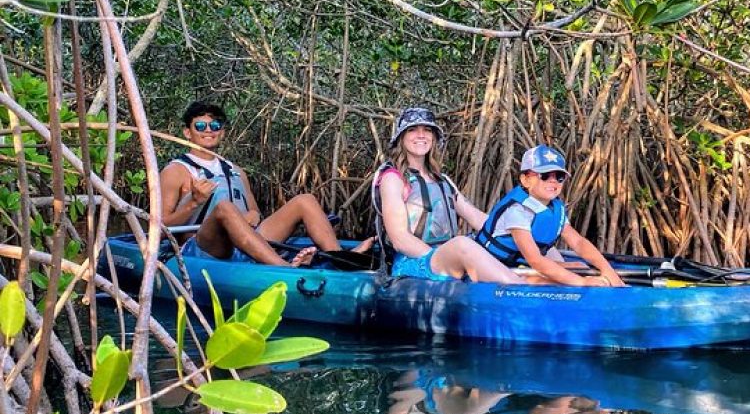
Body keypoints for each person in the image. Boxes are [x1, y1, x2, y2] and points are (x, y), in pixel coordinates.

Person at [161, 101, 366, 267]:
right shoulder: (176, 171)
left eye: (215, 126)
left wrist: (254, 215)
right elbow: (159, 228)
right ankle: (282, 268)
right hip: (203, 247)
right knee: (224, 208)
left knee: (305, 200)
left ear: (222, 132)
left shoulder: (235, 170)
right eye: (200, 126)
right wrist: (193, 203)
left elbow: (255, 213)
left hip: (244, 244)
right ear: (187, 132)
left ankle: (339, 259)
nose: (208, 130)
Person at [372, 107, 523, 283]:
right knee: (462, 244)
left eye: (427, 130)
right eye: (412, 130)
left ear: (434, 138)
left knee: (521, 234)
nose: (421, 135)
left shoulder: (442, 180)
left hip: (447, 257)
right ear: (401, 138)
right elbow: (400, 239)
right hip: (413, 263)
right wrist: (442, 256)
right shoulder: (393, 179)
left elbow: (475, 217)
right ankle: (520, 290)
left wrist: (513, 232)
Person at [474, 145, 625, 287]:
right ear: (525, 179)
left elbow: (578, 242)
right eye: (544, 175)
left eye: (559, 176)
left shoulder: (554, 207)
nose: (553, 180)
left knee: (578, 266)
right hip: (494, 263)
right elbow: (535, 260)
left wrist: (607, 270)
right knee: (542, 280)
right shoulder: (517, 210)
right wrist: (582, 282)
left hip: (518, 263)